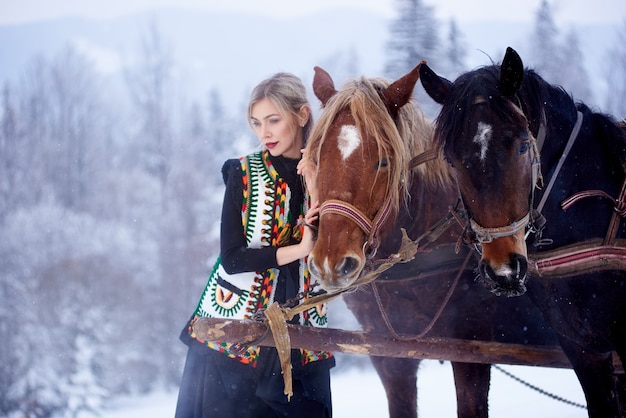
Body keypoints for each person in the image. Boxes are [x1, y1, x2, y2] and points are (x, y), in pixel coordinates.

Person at [174, 72, 334, 418]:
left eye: (274, 120)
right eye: (257, 122)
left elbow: (336, 251)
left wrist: (315, 182)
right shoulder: (241, 173)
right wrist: (299, 249)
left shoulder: (328, 174)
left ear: (302, 115)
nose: (265, 132)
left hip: (303, 343)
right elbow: (231, 258)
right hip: (234, 342)